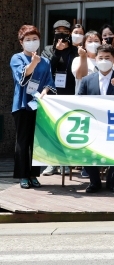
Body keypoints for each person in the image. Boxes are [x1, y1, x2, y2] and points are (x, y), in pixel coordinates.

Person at [11, 25, 55, 189]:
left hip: (39, 105)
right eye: (27, 39)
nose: (31, 42)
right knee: (23, 140)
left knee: (37, 142)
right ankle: (23, 175)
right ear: (21, 42)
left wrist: (44, 91)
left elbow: (50, 82)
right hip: (22, 105)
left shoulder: (46, 61)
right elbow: (21, 79)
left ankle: (33, 175)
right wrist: (33, 64)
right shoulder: (17, 58)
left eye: (34, 39)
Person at [77, 44, 114, 193]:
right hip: (93, 124)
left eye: (107, 58)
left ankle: (112, 180)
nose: (104, 60)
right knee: (83, 149)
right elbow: (78, 101)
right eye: (101, 58)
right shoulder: (87, 80)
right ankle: (94, 181)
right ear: (96, 59)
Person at [40, 20, 79, 176]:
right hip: (52, 94)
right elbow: (46, 69)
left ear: (69, 33)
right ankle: (51, 163)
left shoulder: (75, 51)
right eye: (58, 31)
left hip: (69, 92)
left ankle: (66, 162)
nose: (61, 34)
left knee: (67, 128)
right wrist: (56, 52)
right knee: (52, 129)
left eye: (64, 31)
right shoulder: (48, 49)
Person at [71, 31, 102, 95]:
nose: (93, 44)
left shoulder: (105, 60)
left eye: (96, 41)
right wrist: (83, 57)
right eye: (90, 41)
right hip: (83, 98)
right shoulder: (77, 60)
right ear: (84, 45)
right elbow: (80, 76)